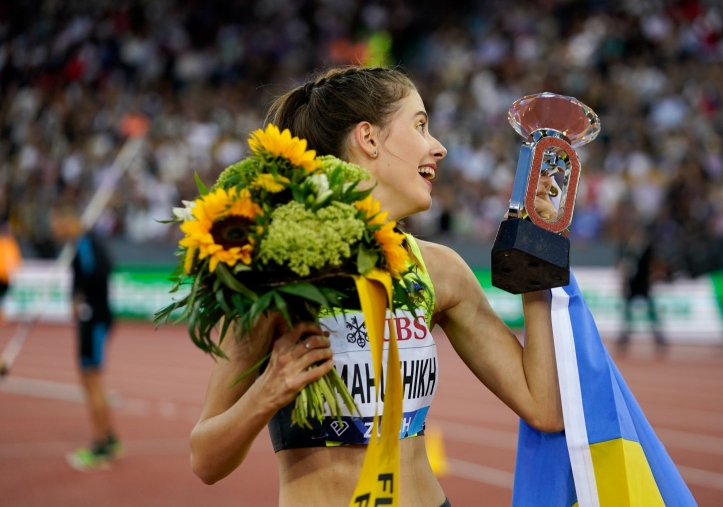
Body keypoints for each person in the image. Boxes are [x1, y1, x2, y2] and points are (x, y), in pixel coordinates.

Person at [189, 66, 564, 507]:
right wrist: (268, 390)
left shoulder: (438, 270)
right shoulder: (280, 270)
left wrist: (537, 256)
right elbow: (206, 460)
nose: (438, 147)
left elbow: (544, 407)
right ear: (368, 138)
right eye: (420, 125)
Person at [49, 205, 123, 471]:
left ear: (68, 221)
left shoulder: (86, 242)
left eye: (57, 226)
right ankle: (109, 438)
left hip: (94, 320)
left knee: (93, 381)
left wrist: (79, 295)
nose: (55, 232)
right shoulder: (82, 243)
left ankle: (102, 446)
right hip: (90, 319)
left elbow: (100, 270)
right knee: (89, 380)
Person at [615, 222, 668, 352]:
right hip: (632, 285)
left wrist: (654, 276)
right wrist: (624, 282)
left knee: (651, 313)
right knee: (628, 315)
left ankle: (659, 338)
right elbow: (622, 266)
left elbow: (653, 264)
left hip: (644, 284)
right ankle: (624, 339)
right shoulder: (627, 248)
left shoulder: (647, 248)